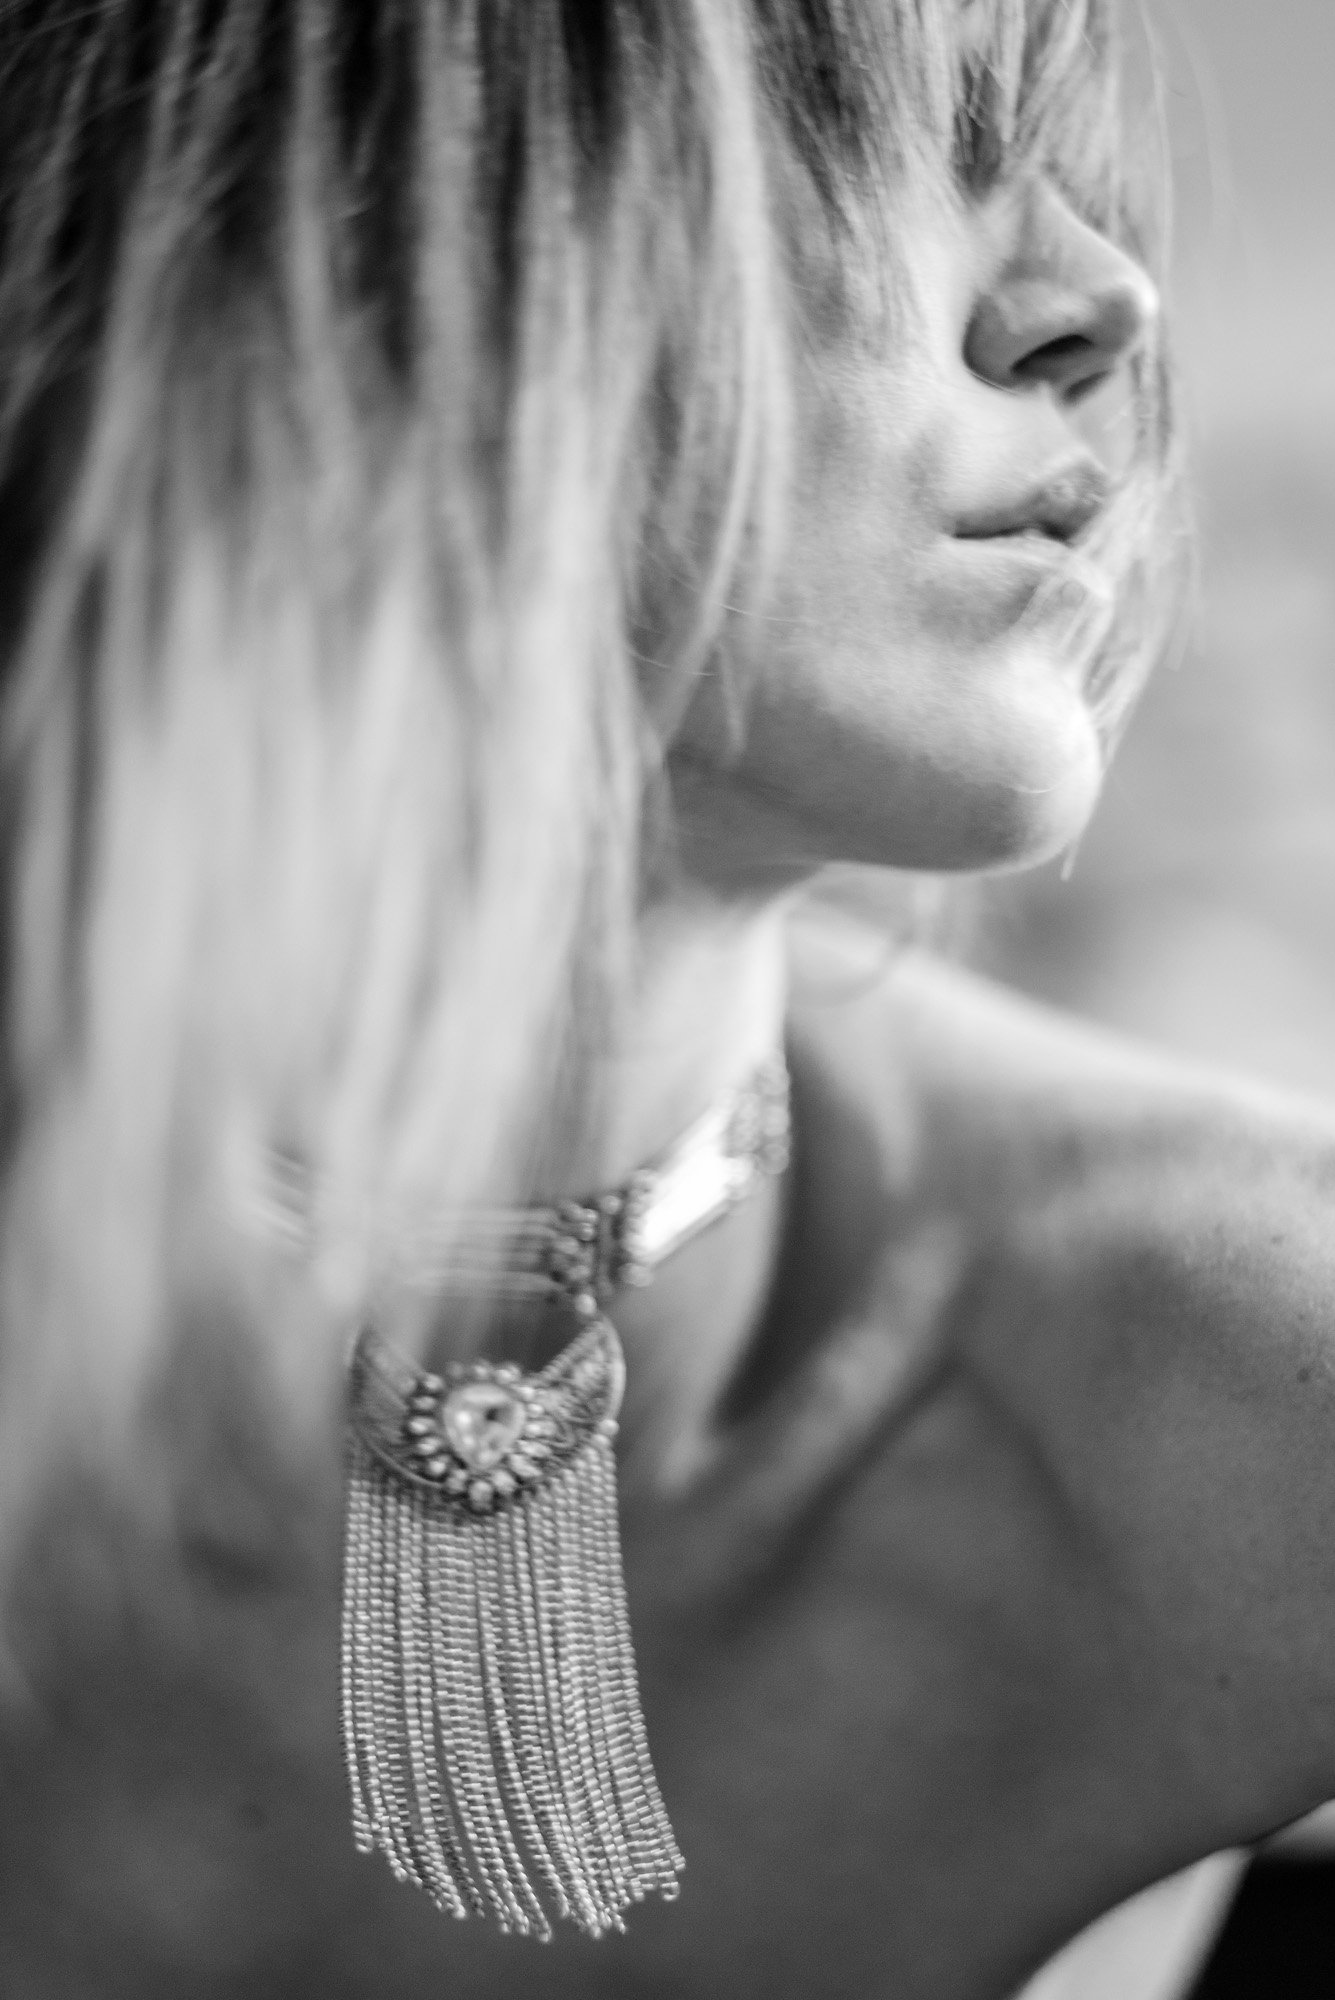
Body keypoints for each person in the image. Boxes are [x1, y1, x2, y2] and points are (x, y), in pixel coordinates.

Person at [2, 2, 1334, 1996]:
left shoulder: (1247, 1393)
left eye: (1049, 153)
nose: (1097, 302)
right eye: (875, 134)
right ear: (315, 235)